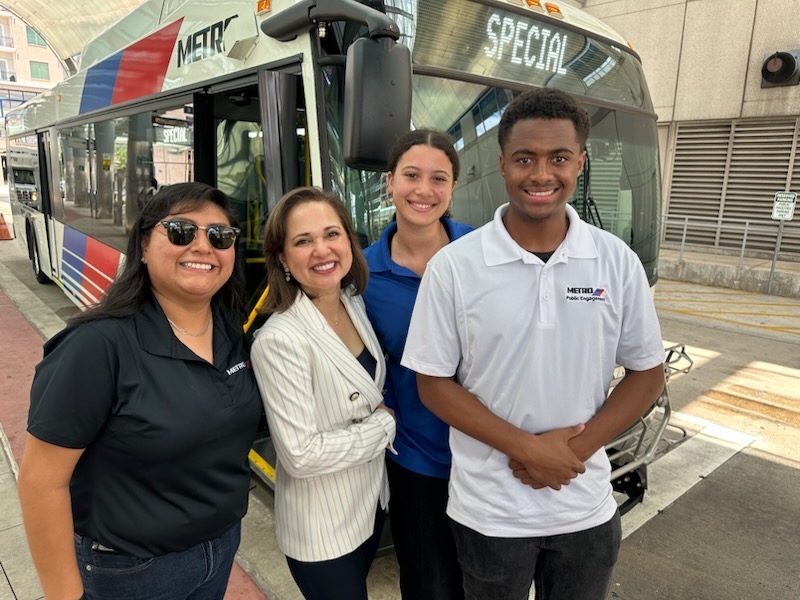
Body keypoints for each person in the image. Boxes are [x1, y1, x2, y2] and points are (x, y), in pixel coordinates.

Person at [401, 88, 666, 600]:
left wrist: (573, 452)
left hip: (584, 505)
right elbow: (432, 382)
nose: (542, 174)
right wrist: (526, 448)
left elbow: (646, 373)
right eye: (525, 158)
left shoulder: (616, 261)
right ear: (502, 164)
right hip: (489, 513)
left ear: (580, 163)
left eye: (559, 158)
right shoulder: (456, 266)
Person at [17, 182, 262, 600]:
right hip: (129, 571)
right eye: (182, 231)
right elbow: (41, 482)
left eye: (219, 236)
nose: (203, 246)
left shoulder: (228, 329)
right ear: (145, 246)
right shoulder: (96, 347)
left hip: (219, 550)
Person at [250, 186, 396, 600]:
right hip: (322, 528)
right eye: (303, 241)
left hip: (369, 506)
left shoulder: (352, 302)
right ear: (282, 258)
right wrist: (384, 425)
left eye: (332, 234)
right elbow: (301, 455)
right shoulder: (279, 340)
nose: (322, 250)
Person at [362, 129, 472, 600]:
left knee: (491, 584)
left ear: (452, 188)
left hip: (492, 456)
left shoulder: (488, 252)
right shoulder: (362, 273)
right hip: (417, 460)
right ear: (389, 182)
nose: (423, 191)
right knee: (429, 587)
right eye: (411, 175)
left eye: (438, 178)